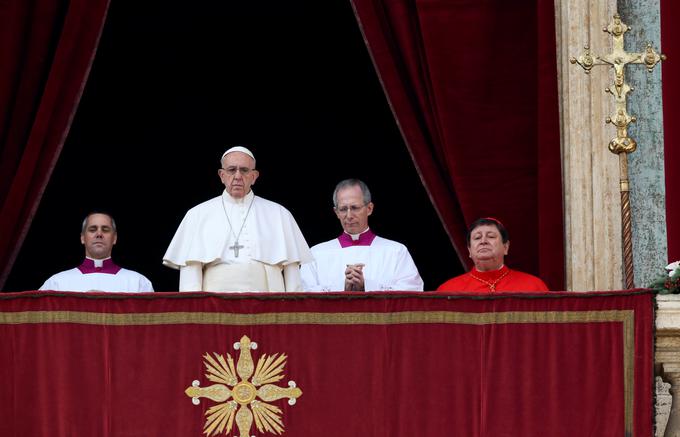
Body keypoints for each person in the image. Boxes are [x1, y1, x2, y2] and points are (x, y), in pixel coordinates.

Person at [163, 146, 312, 292]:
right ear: (222, 175)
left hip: (267, 304)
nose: (238, 176)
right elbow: (190, 273)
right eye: (231, 170)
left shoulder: (279, 214)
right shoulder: (197, 214)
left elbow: (293, 278)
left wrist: (292, 309)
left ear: (254, 177)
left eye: (244, 170)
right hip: (215, 307)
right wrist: (193, 310)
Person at [301, 178, 423, 291]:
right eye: (343, 209)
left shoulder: (396, 251)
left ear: (369, 208)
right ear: (336, 212)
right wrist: (342, 287)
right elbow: (302, 295)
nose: (349, 216)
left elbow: (412, 291)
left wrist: (367, 286)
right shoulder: (316, 254)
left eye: (354, 207)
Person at [39, 212, 154, 292]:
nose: (99, 234)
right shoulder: (56, 283)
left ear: (114, 238)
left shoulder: (138, 282)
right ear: (83, 238)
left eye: (105, 229)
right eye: (92, 229)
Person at [437, 217, 549, 293]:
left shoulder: (533, 286)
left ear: (506, 247)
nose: (483, 241)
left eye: (491, 236)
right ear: (469, 251)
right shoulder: (448, 290)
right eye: (477, 238)